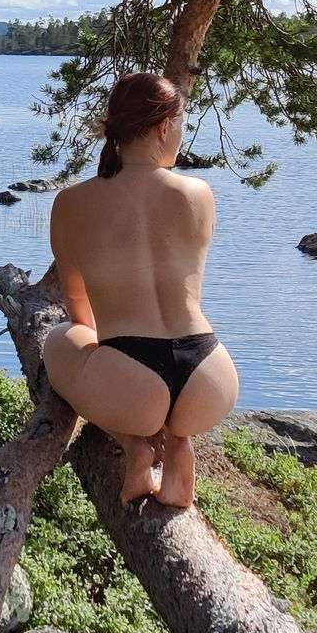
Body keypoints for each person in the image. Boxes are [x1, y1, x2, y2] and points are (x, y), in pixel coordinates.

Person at [42, 71, 239, 507]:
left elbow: (77, 303)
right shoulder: (199, 193)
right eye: (182, 124)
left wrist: (105, 361)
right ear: (164, 127)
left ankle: (136, 447)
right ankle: (180, 441)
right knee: (166, 396)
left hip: (130, 382)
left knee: (60, 338)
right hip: (210, 376)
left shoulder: (71, 201)